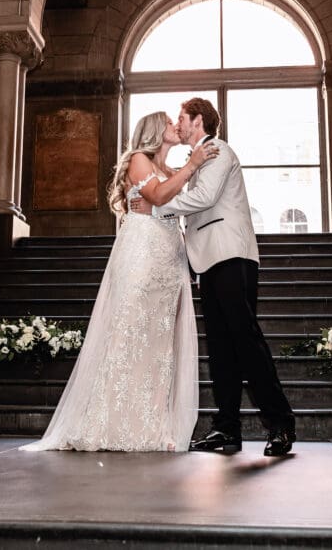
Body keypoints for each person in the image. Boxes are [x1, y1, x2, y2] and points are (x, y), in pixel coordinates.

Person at [21, 111, 218, 452]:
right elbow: (157, 197)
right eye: (170, 121)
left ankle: (152, 426)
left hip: (170, 258)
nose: (176, 125)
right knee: (129, 333)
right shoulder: (138, 161)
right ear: (156, 130)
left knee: (160, 346)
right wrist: (191, 167)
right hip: (142, 252)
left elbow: (178, 204)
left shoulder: (172, 171)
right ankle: (111, 422)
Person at [133, 98, 296, 456]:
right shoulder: (197, 158)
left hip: (231, 256)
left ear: (198, 120)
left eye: (182, 118)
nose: (178, 123)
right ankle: (227, 429)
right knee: (221, 348)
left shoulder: (217, 150)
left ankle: (281, 423)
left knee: (246, 341)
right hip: (208, 262)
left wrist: (156, 206)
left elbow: (205, 199)